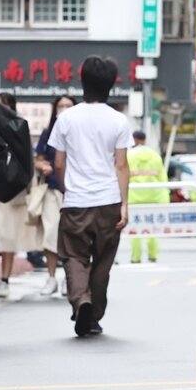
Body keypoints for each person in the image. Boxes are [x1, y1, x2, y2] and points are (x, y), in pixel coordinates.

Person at [51, 56, 133, 338]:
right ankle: (94, 313)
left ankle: (81, 300)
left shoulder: (66, 118)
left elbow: (58, 164)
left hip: (76, 201)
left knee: (73, 256)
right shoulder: (119, 120)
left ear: (81, 80)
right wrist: (124, 203)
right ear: (111, 85)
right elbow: (121, 165)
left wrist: (66, 189)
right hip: (108, 200)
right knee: (103, 260)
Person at [0, 92, 39, 299]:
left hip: (13, 190)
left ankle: (4, 279)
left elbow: (27, 160)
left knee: (8, 237)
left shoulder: (18, 128)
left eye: (5, 106)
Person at [32, 94, 76, 297]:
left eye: (69, 105)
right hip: (52, 189)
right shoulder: (48, 133)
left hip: (76, 191)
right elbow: (38, 160)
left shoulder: (80, 131)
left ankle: (70, 278)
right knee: (50, 234)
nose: (65, 109)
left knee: (73, 237)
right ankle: (51, 277)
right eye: (61, 106)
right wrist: (45, 166)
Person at [125, 129, 167, 264]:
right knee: (152, 227)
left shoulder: (128, 156)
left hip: (133, 198)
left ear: (134, 140)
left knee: (135, 229)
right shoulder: (155, 156)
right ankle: (152, 255)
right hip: (153, 197)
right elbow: (163, 178)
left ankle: (135, 257)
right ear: (145, 140)